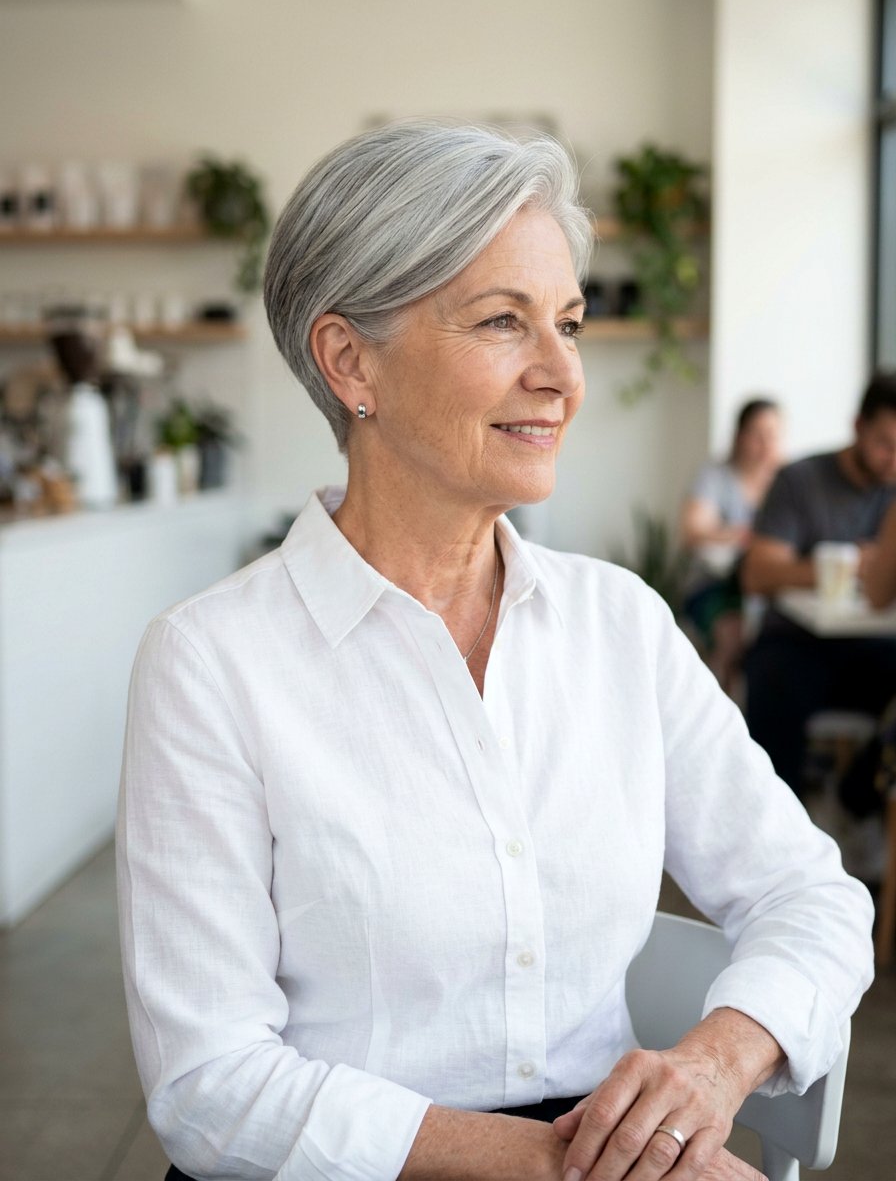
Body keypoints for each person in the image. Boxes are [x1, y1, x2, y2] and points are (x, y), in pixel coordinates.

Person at [117, 122, 873, 1181]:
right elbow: (208, 1084)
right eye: (501, 322)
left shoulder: (621, 625)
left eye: (564, 322)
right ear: (349, 362)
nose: (561, 374)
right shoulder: (210, 663)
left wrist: (708, 1070)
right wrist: (568, 1166)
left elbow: (813, 898)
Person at [740, 374, 896, 796]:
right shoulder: (801, 480)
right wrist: (849, 564)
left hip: (873, 647)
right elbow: (757, 574)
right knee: (775, 683)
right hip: (796, 640)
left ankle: (857, 797)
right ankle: (771, 830)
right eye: (885, 443)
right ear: (859, 427)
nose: (893, 460)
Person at [680, 400, 783, 691]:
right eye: (757, 434)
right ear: (740, 436)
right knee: (733, 634)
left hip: (769, 593)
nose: (765, 444)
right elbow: (692, 531)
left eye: (773, 435)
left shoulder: (788, 482)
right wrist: (742, 535)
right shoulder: (716, 477)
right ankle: (722, 714)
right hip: (716, 586)